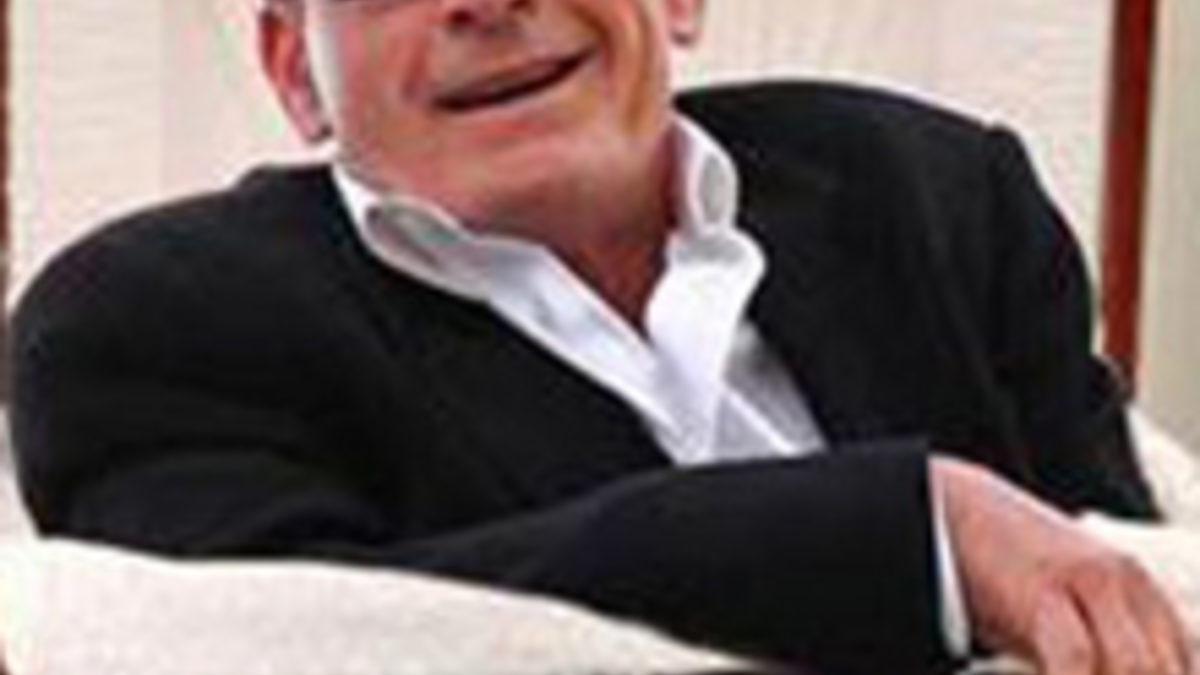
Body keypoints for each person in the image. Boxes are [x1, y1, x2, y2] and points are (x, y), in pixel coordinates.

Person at [7, 0, 1194, 673]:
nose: (488, 2)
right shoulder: (149, 327)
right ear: (294, 70)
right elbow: (309, 644)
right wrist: (921, 534)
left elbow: (1142, 594)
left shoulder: (939, 197)